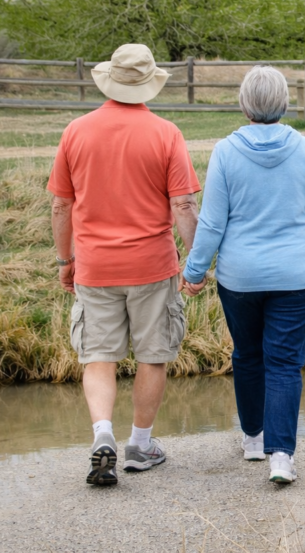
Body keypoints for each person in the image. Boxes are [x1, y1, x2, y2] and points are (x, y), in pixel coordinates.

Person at [48, 43, 201, 486]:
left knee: (98, 356)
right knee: (154, 356)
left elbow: (61, 205)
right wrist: (196, 260)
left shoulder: (76, 131)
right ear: (149, 83)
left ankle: (102, 435)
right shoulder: (166, 133)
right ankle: (140, 444)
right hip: (152, 266)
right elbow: (184, 205)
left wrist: (66, 259)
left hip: (94, 267)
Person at [181, 65, 305, 485]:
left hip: (240, 277)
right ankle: (281, 456)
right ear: (284, 104)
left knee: (247, 354)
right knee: (284, 362)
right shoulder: (304, 149)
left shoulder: (226, 152)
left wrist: (194, 270)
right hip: (297, 275)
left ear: (244, 105)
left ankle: (253, 438)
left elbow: (212, 222)